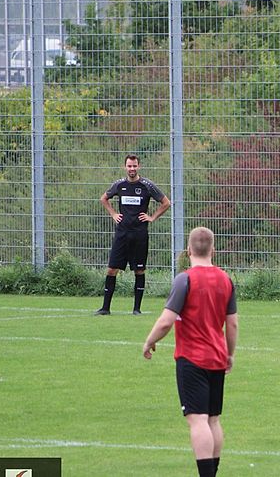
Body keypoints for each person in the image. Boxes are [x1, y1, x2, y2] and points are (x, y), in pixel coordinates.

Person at [142, 226, 238, 477]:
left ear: (188, 250)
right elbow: (232, 324)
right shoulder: (226, 280)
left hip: (192, 359)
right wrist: (230, 354)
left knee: (197, 419)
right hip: (217, 358)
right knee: (213, 419)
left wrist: (149, 340)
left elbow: (166, 321)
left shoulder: (185, 279)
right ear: (213, 250)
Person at [96, 154, 171, 315]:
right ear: (125, 167)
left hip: (139, 234)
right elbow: (103, 199)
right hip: (122, 234)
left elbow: (166, 203)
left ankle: (137, 309)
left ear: (139, 167)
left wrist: (152, 217)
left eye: (134, 166)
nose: (132, 169)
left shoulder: (147, 185)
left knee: (139, 270)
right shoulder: (119, 185)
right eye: (129, 166)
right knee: (112, 269)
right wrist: (113, 214)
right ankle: (105, 308)